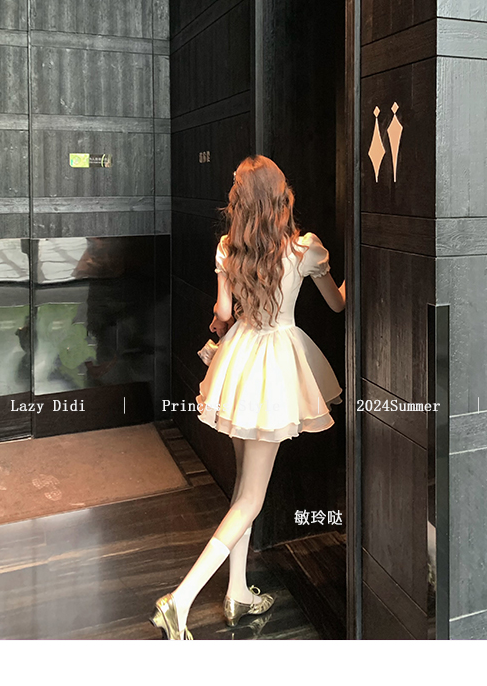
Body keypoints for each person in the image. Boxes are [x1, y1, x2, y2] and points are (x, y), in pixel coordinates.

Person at [151, 154, 346, 639]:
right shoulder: (304, 249)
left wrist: (224, 320)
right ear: (281, 198)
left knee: (243, 488)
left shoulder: (228, 248)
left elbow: (222, 312)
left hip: (239, 360)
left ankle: (237, 592)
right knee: (252, 499)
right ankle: (180, 599)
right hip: (276, 369)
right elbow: (338, 304)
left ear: (239, 202)